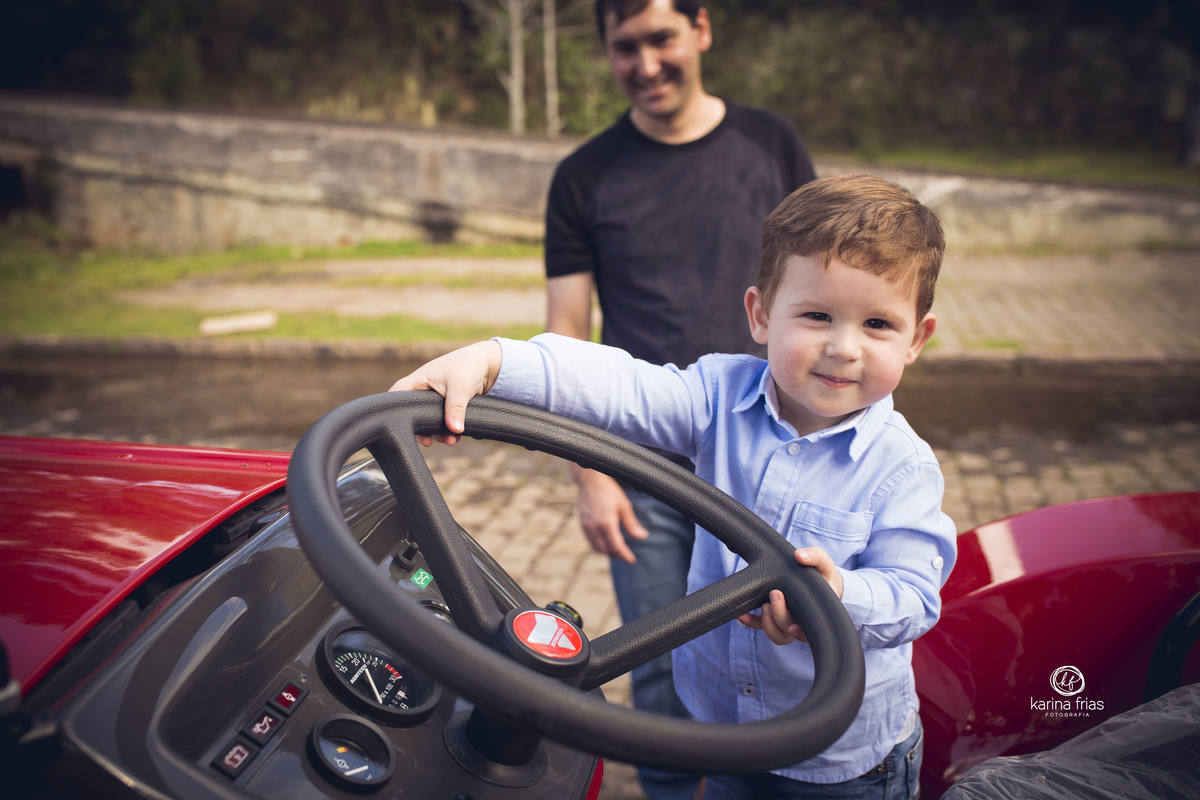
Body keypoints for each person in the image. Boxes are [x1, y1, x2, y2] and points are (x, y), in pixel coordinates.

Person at [392, 174, 958, 799]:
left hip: (843, 763)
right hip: (722, 733)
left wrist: (839, 594)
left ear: (916, 340)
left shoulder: (903, 469)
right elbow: (620, 386)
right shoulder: (717, 396)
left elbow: (914, 596)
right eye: (817, 315)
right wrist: (498, 362)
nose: (843, 348)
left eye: (877, 324)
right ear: (762, 315)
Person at [544, 3, 814, 793]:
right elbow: (566, 332)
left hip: (770, 454)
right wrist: (588, 475)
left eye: (661, 38)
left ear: (701, 28)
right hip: (642, 472)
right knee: (658, 674)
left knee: (775, 657)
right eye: (625, 48)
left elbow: (823, 275)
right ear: (607, 52)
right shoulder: (583, 175)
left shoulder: (771, 142)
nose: (646, 63)